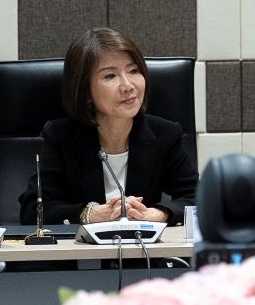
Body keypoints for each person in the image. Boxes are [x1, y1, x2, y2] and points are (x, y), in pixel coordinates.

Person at [19, 27, 197, 225]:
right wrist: (91, 213)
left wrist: (157, 214)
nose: (128, 85)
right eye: (110, 76)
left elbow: (198, 198)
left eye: (133, 71)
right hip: (82, 246)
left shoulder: (165, 134)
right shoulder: (60, 136)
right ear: (85, 90)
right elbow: (33, 211)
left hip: (142, 245)